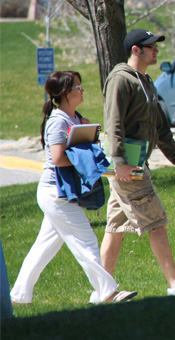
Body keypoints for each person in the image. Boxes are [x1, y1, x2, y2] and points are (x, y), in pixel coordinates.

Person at [100, 29, 175, 296]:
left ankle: (101, 291)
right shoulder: (121, 80)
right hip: (127, 166)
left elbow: (160, 129)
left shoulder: (147, 82)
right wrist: (119, 162)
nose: (156, 50)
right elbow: (113, 123)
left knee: (115, 229)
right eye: (151, 46)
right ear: (135, 50)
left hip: (134, 163)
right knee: (157, 220)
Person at [10, 70, 137, 305]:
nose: (82, 90)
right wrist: (87, 154)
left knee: (43, 248)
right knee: (86, 242)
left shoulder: (76, 118)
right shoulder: (57, 121)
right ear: (65, 93)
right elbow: (58, 158)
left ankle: (18, 296)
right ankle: (107, 293)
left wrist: (91, 139)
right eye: (78, 87)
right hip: (55, 193)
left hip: (63, 192)